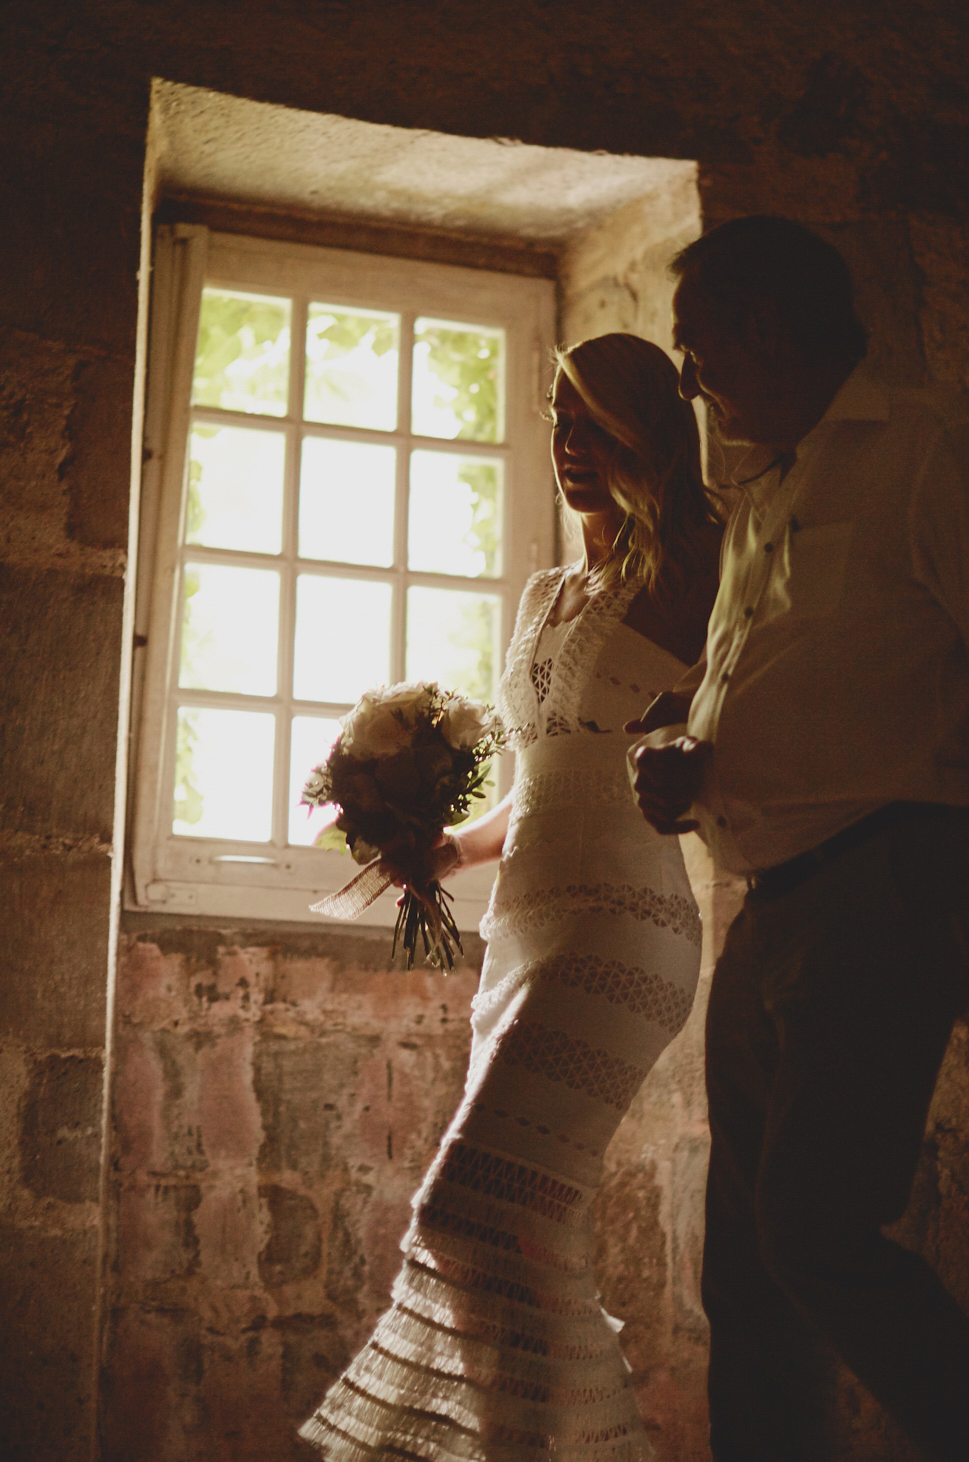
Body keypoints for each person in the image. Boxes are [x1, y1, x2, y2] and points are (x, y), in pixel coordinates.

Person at [629, 216, 969, 1462]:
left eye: (696, 348)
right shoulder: (769, 490)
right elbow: (781, 683)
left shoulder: (926, 445)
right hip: (770, 908)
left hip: (884, 886)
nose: (691, 378)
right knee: (749, 1268)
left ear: (765, 328)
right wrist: (689, 754)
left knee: (816, 1235)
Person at [300, 331, 723, 1462]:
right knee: (522, 1230)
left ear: (649, 432)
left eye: (597, 421)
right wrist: (443, 849)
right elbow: (548, 778)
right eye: (558, 419)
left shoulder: (697, 565)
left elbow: (724, 732)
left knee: (467, 1211)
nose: (570, 444)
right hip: (524, 929)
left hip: (623, 928)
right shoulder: (548, 592)